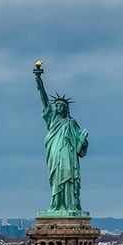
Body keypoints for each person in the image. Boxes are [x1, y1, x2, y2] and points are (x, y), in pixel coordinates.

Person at [34, 65, 88, 213]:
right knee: (57, 178)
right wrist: (39, 80)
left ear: (66, 108)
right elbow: (44, 100)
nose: (58, 108)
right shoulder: (51, 119)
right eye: (56, 105)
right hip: (55, 152)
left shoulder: (72, 123)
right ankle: (56, 204)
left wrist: (83, 140)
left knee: (70, 177)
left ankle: (71, 205)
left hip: (69, 155)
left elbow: (79, 146)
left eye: (61, 106)